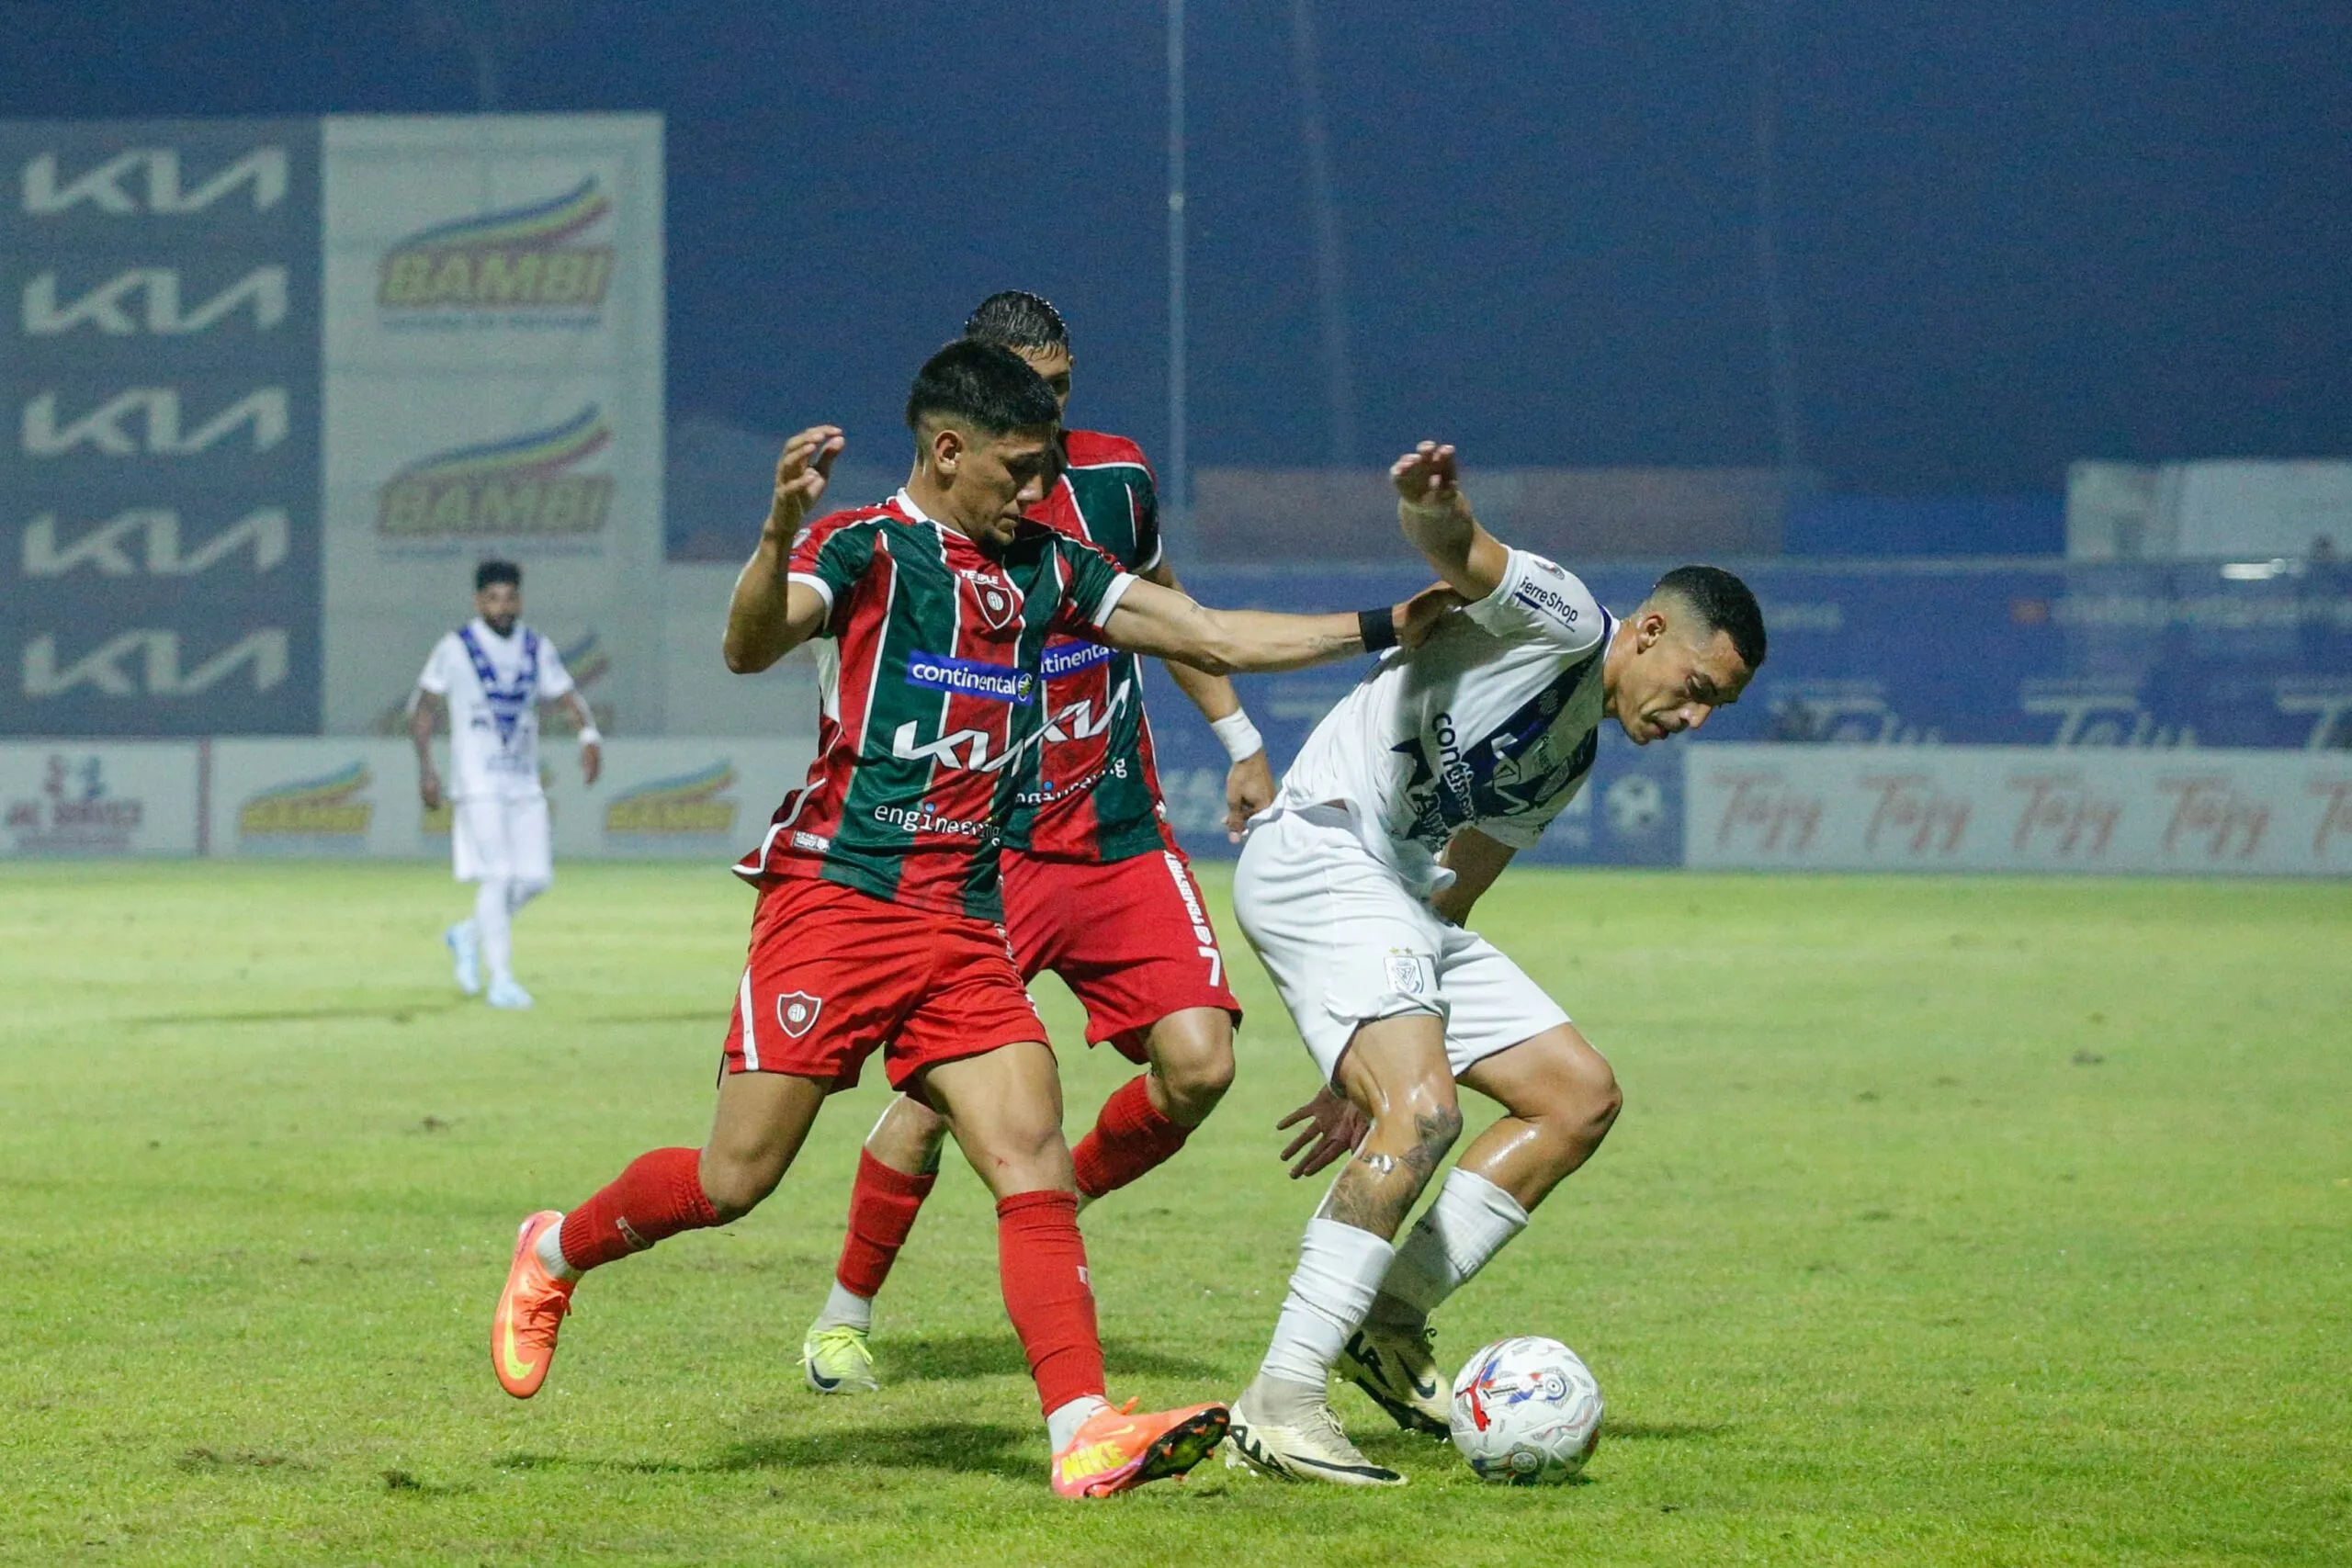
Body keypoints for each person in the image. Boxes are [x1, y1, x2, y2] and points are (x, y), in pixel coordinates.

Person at [489, 342, 1441, 1499]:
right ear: (948, 451)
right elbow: (747, 646)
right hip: (836, 902)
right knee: (733, 1180)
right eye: (1020, 469)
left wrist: (1390, 623)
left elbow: (1211, 635)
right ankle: (553, 1252)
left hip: (958, 916)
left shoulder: (1045, 564)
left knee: (1028, 1153)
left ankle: (1082, 1428)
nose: (1040, 492)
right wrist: (776, 532)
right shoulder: (862, 549)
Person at [1221, 441, 1768, 1485]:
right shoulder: (1560, 616)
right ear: (1648, 632)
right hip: (1323, 851)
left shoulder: (1570, 754)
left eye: (1716, 710)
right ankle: (1279, 1403)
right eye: (1696, 687)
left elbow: (1453, 888)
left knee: (1574, 1096)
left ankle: (1387, 1316)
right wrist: (1430, 507)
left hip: (1391, 901)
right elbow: (1460, 552)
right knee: (1424, 1114)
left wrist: (1375, 1043)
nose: (1692, 719)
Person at [797, 291, 1278, 1397]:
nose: (1051, 425)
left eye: (1063, 393)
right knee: (926, 1106)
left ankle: (1054, 1213)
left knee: (1201, 1063)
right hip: (987, 856)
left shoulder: (1113, 481)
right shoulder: (944, 519)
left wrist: (1240, 735)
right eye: (1033, 398)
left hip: (1115, 829)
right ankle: (842, 1316)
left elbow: (1169, 613)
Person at [410, 560, 601, 1010]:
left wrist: (588, 735)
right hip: (477, 782)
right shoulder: (455, 647)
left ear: (520, 599)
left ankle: (467, 934)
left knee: (535, 879)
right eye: (493, 598)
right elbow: (423, 707)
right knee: (497, 876)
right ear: (478, 602)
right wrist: (426, 767)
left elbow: (567, 695)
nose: (503, 607)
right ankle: (502, 980)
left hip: (523, 780)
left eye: (510, 597)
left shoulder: (535, 646)